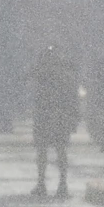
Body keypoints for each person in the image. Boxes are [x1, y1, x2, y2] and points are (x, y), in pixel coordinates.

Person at [28, 45, 79, 198]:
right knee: (60, 151)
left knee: (43, 152)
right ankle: (62, 184)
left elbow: (31, 85)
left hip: (45, 117)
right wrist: (73, 119)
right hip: (59, 118)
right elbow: (72, 99)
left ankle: (42, 183)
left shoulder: (41, 74)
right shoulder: (66, 75)